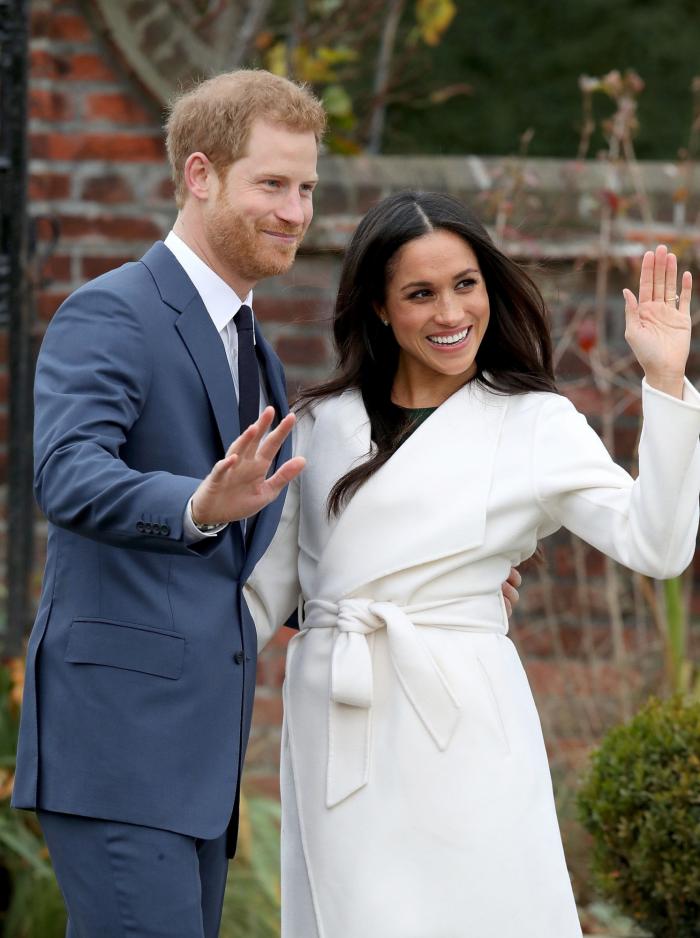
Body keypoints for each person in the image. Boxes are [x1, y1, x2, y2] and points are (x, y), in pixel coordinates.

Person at [244, 190, 700, 938]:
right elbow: (261, 601)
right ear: (380, 307)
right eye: (420, 294)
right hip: (340, 720)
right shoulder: (320, 423)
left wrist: (666, 382)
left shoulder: (534, 422)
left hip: (464, 721)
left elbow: (657, 546)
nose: (451, 313)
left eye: (466, 284)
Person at [11, 70, 325, 938]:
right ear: (199, 175)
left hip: (196, 769)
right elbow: (67, 472)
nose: (295, 212)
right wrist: (198, 505)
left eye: (306, 188)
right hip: (118, 751)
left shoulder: (255, 348)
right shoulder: (112, 310)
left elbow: (255, 562)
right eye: (272, 183)